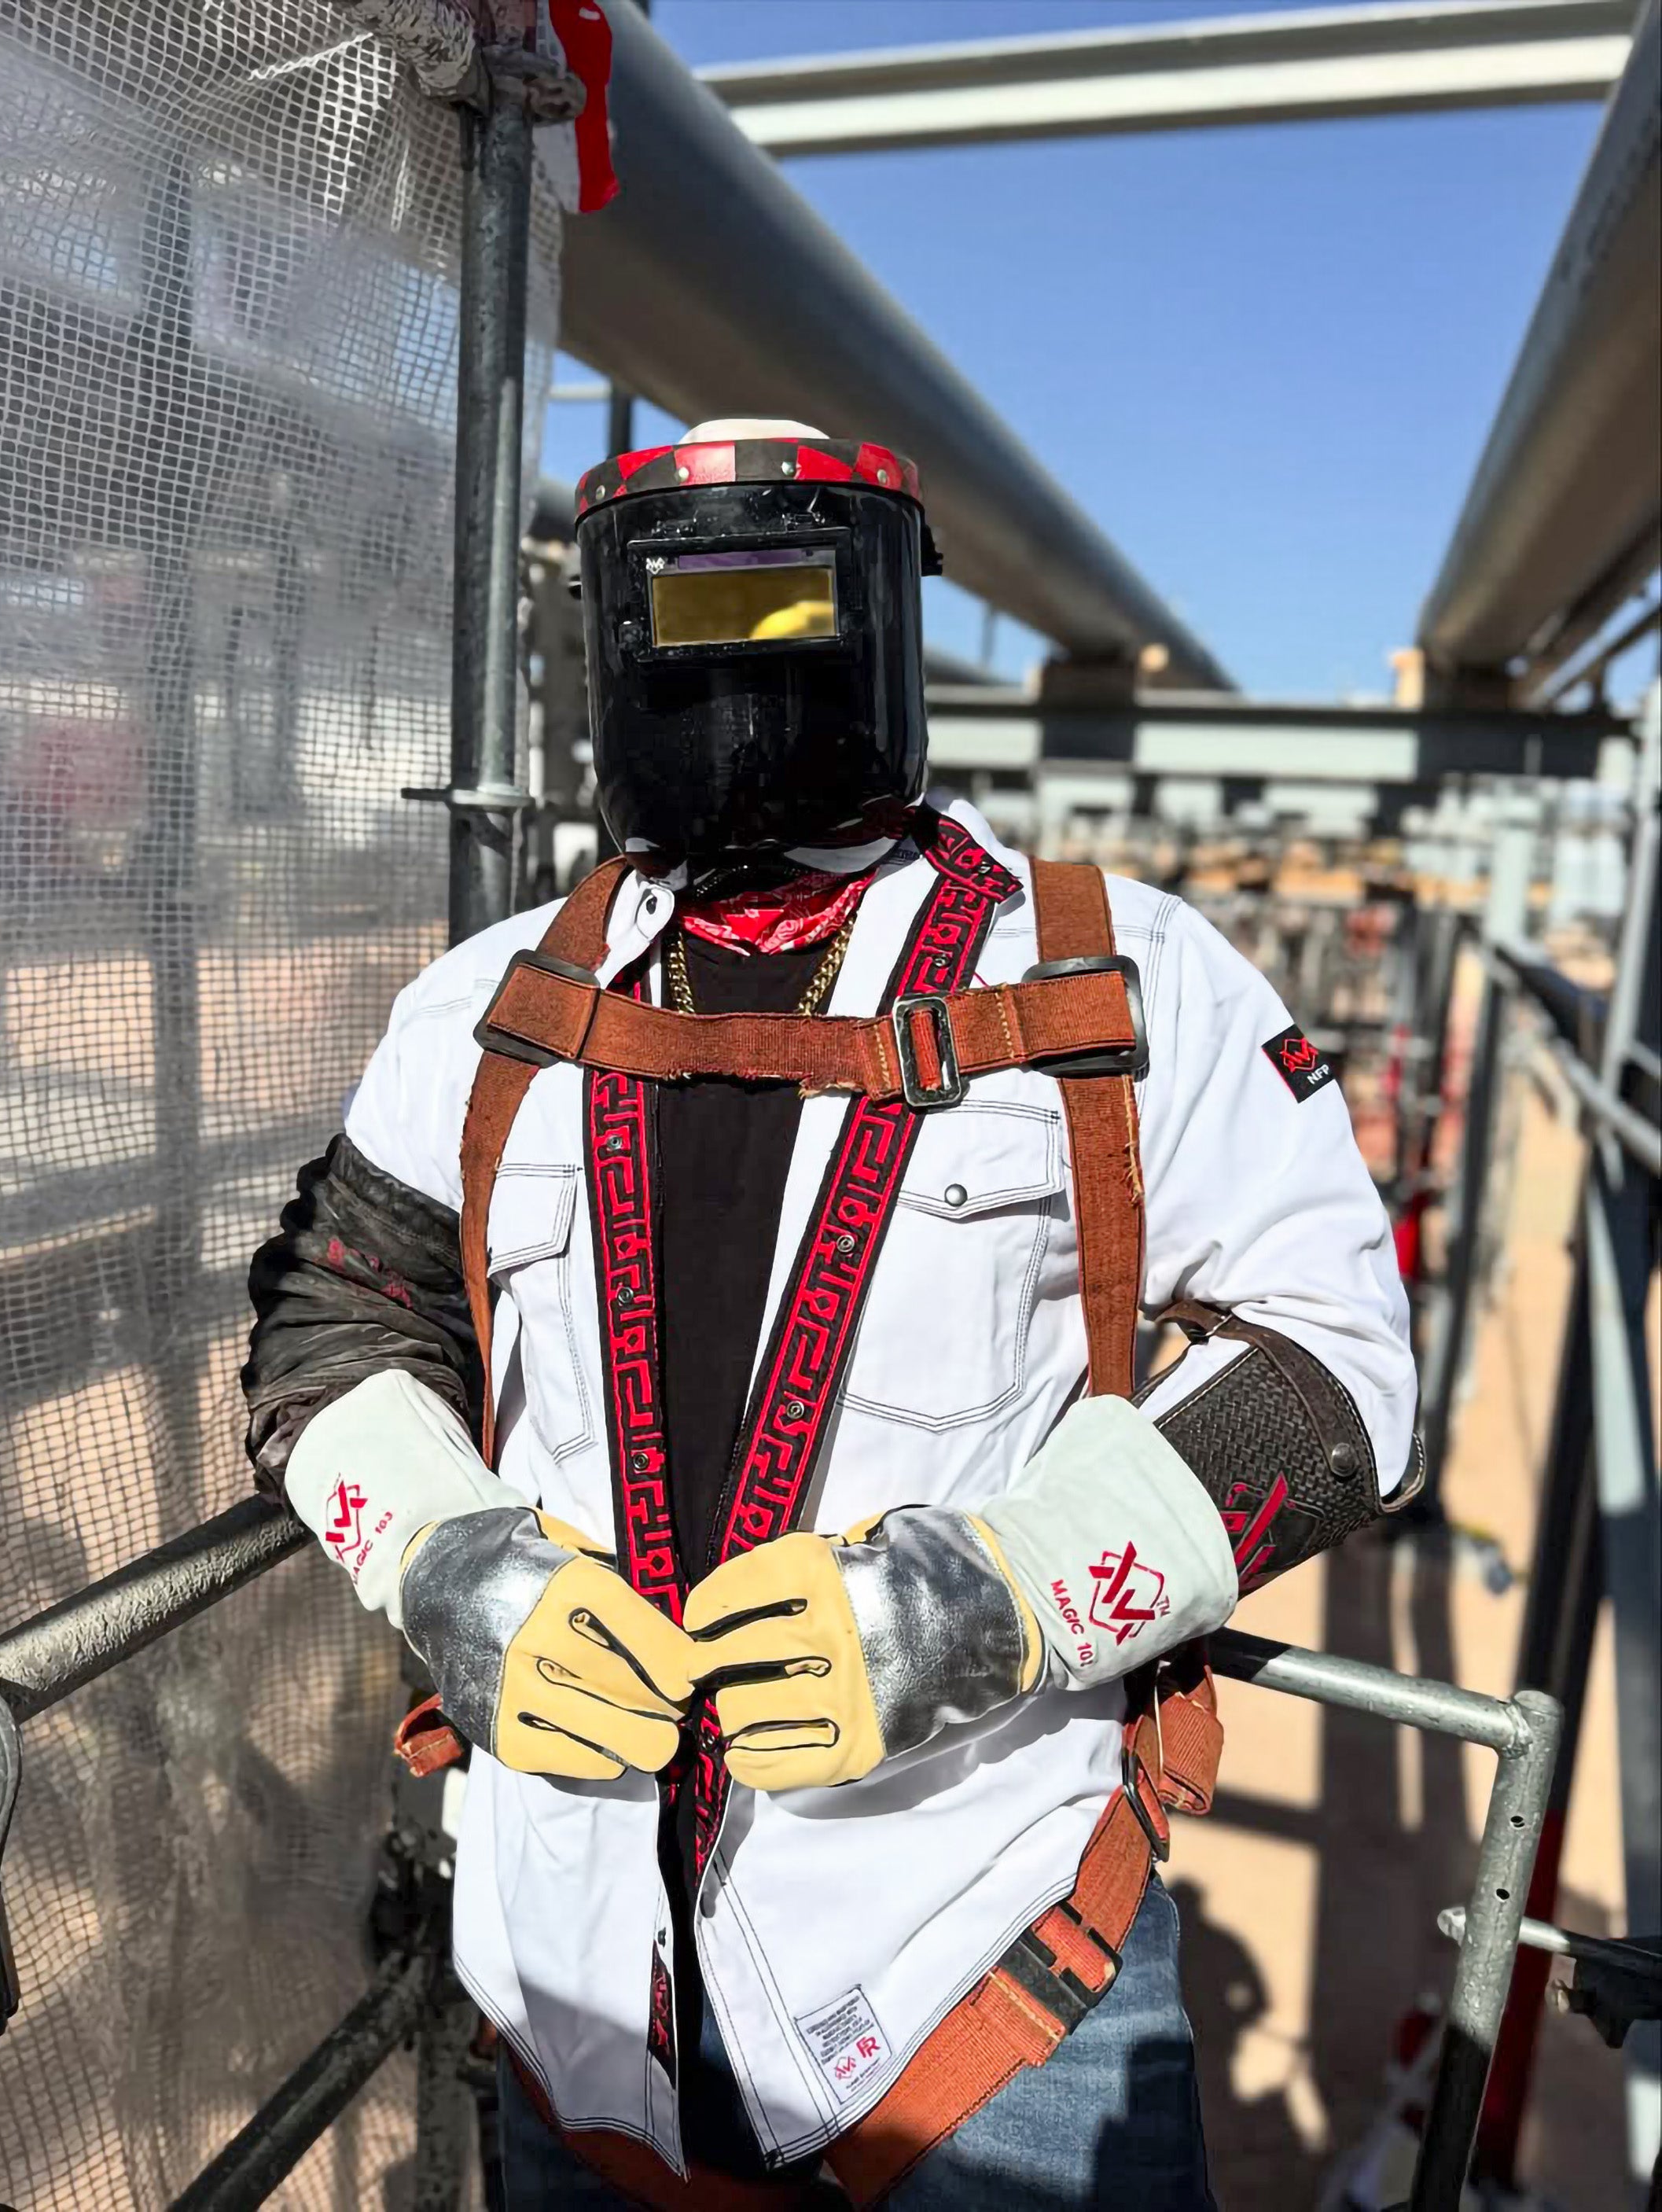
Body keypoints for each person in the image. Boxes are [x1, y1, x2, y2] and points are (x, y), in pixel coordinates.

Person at [243, 420, 1421, 2208]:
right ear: (611, 641)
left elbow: (1336, 1371)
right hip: (575, 1987)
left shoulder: (1114, 979)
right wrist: (451, 1566)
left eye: (785, 595)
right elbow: (331, 1325)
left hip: (997, 1993)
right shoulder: (485, 1012)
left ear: (880, 609)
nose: (735, 668)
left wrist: (993, 1602)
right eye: (684, 604)